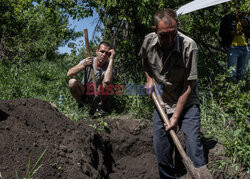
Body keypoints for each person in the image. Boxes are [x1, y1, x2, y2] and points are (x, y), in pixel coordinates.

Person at [139, 9, 207, 178]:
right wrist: (149, 80)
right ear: (155, 30)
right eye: (163, 35)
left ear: (178, 27)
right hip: (163, 100)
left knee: (193, 145)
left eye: (173, 34)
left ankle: (199, 174)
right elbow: (145, 61)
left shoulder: (189, 46)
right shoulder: (148, 41)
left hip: (187, 100)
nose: (169, 40)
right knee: (161, 148)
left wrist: (175, 118)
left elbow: (188, 86)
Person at [67, 41, 115, 115]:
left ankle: (101, 106)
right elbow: (69, 73)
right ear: (97, 51)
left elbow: (107, 81)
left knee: (107, 85)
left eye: (107, 53)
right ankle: (81, 105)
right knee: (72, 82)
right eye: (102, 52)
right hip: (85, 91)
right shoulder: (89, 60)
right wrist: (84, 65)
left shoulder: (109, 67)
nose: (104, 55)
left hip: (98, 94)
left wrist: (112, 59)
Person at [219, 7, 250, 81]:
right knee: (231, 73)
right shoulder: (229, 18)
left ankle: (238, 91)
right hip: (233, 48)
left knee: (241, 74)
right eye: (238, 9)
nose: (241, 11)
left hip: (245, 48)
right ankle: (230, 90)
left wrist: (246, 26)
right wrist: (233, 33)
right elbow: (221, 33)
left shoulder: (247, 20)